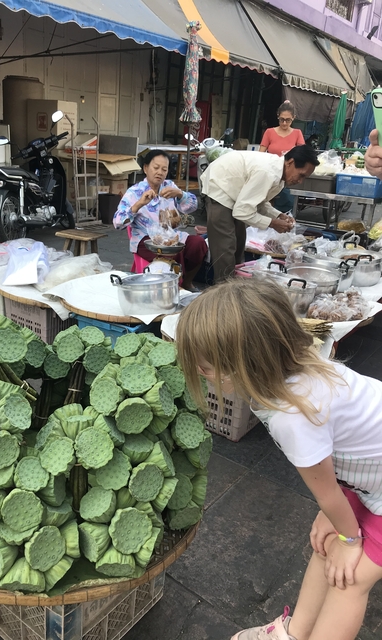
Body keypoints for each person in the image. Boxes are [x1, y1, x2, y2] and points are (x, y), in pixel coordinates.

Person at [176, 277, 382, 640]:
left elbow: (327, 492)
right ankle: (292, 633)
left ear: (240, 365)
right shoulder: (302, 365)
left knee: (349, 579)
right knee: (324, 544)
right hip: (370, 474)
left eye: (204, 367)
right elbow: (336, 468)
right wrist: (337, 522)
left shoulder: (293, 416)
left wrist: (351, 540)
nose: (197, 373)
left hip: (375, 481)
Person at [200, 144, 318, 282]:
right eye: (301, 175)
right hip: (219, 187)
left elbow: (258, 202)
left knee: (239, 244)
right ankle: (224, 291)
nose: (300, 181)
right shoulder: (268, 172)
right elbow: (242, 212)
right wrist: (273, 223)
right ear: (290, 162)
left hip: (234, 192)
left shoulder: (279, 175)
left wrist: (278, 215)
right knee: (226, 248)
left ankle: (237, 286)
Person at [113, 149, 207, 292]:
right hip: (145, 240)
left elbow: (192, 207)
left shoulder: (170, 187)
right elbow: (118, 223)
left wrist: (180, 194)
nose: (160, 172)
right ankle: (175, 288)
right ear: (145, 168)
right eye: (156, 168)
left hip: (171, 237)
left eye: (164, 169)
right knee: (172, 251)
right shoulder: (134, 192)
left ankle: (186, 282)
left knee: (198, 244)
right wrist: (139, 204)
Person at [259, 100, 306, 212]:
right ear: (278, 117)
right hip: (270, 174)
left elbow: (302, 154)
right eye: (282, 119)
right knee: (264, 205)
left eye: (288, 120)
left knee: (284, 207)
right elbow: (260, 155)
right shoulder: (269, 132)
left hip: (287, 176)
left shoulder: (297, 133)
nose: (284, 123)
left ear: (293, 118)